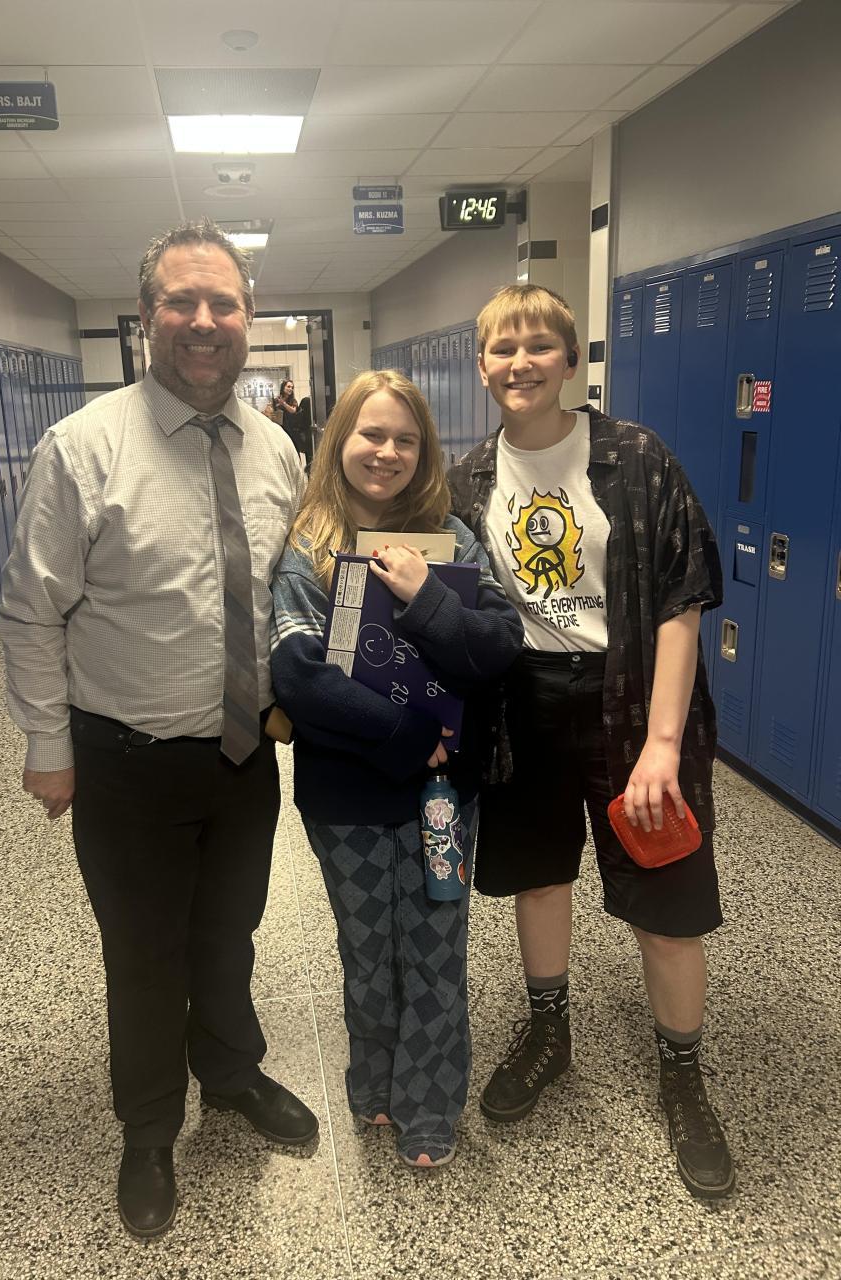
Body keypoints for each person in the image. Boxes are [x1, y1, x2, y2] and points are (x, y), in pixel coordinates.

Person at [0, 218, 317, 1240]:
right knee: (143, 954)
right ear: (147, 316)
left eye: (224, 302)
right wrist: (48, 745)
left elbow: (294, 589)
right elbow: (31, 610)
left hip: (242, 758)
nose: (204, 321)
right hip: (127, 763)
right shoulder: (83, 448)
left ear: (249, 318)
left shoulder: (276, 448)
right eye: (182, 301)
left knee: (229, 933)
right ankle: (147, 1128)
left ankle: (230, 1071)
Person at [447, 284, 734, 1200]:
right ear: (482, 365)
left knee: (665, 897)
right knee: (539, 876)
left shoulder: (635, 457)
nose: (520, 363)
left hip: (631, 702)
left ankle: (682, 1074)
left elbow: (684, 599)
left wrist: (663, 744)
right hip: (522, 704)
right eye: (503, 348)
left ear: (570, 360)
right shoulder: (468, 479)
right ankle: (549, 1031)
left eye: (539, 345)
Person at [271, 369, 524, 1168]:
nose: (386, 452)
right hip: (345, 796)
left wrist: (427, 599)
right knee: (366, 950)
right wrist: (411, 734)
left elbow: (500, 645)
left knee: (436, 949)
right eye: (371, 434)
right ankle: (374, 1084)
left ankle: (430, 1104)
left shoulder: (452, 540)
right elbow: (300, 677)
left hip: (441, 800)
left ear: (424, 451)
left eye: (405, 440)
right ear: (339, 439)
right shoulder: (309, 547)